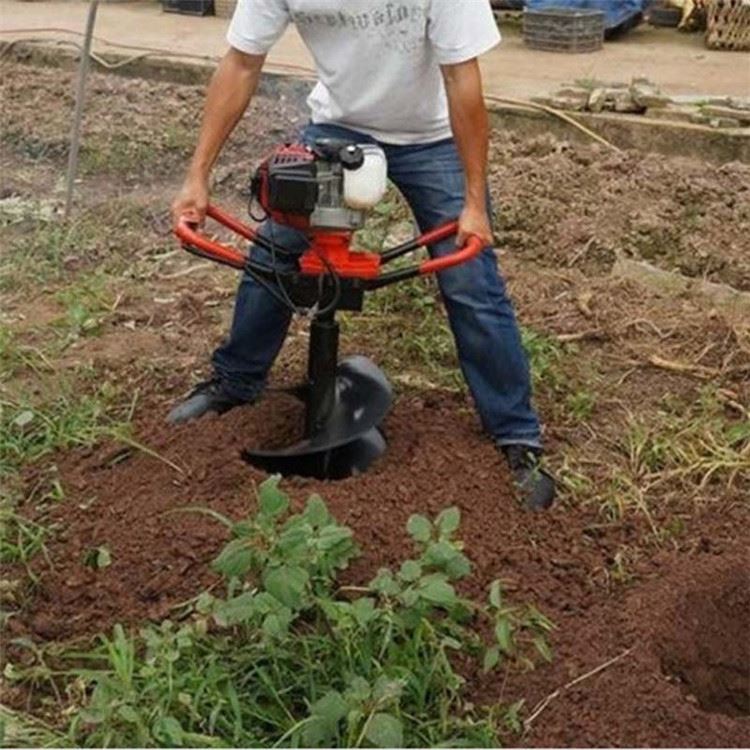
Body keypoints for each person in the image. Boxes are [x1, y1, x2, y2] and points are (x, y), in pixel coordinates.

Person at [170, 0, 556, 510]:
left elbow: (463, 79)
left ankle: (516, 434)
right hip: (338, 127)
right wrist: (197, 175)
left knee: (469, 278)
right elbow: (241, 62)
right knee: (276, 252)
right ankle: (236, 382)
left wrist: (473, 202)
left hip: (431, 136)